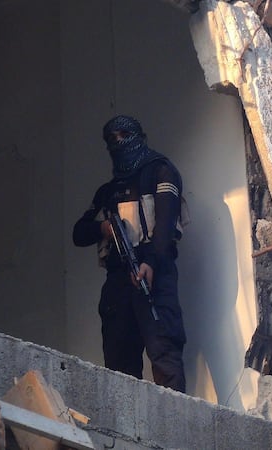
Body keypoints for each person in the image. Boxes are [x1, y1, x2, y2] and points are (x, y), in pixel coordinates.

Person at [73, 115, 187, 392]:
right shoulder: (107, 192)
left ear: (139, 136)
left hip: (155, 273)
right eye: (111, 138)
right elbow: (79, 233)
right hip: (118, 280)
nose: (118, 142)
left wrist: (150, 263)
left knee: (164, 352)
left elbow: (165, 223)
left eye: (124, 134)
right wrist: (104, 228)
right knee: (119, 360)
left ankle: (171, 423)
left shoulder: (161, 171)